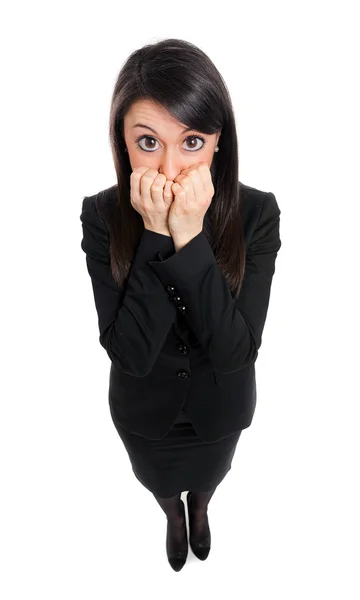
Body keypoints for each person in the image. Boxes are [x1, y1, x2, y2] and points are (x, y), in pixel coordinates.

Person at [79, 38, 282, 572]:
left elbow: (237, 350)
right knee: (159, 483)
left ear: (218, 143)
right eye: (148, 142)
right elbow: (130, 354)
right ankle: (174, 517)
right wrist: (155, 233)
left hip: (220, 410)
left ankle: (201, 512)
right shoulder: (101, 216)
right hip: (145, 415)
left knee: (210, 479)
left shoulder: (257, 213)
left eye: (191, 141)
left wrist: (189, 239)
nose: (169, 168)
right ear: (123, 144)